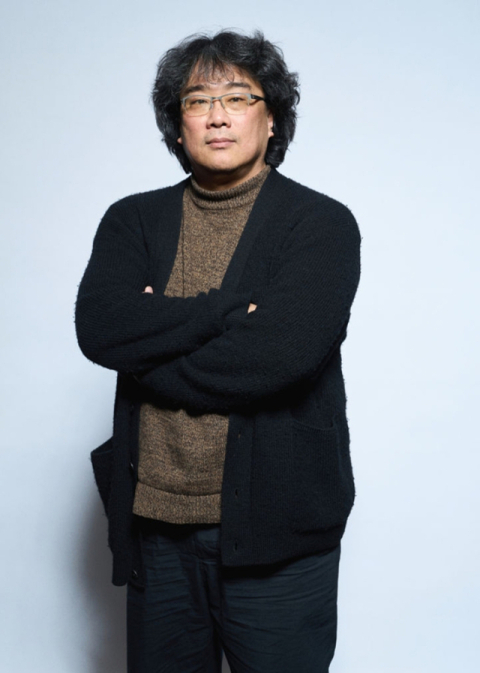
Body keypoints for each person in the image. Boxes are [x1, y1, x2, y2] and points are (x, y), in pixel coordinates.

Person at [75, 29, 361, 673]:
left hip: (279, 539)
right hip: (155, 530)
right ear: (177, 126)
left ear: (272, 117)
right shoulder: (132, 220)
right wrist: (227, 313)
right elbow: (100, 329)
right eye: (198, 100)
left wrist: (149, 348)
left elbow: (277, 360)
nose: (218, 115)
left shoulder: (320, 224)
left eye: (238, 96)